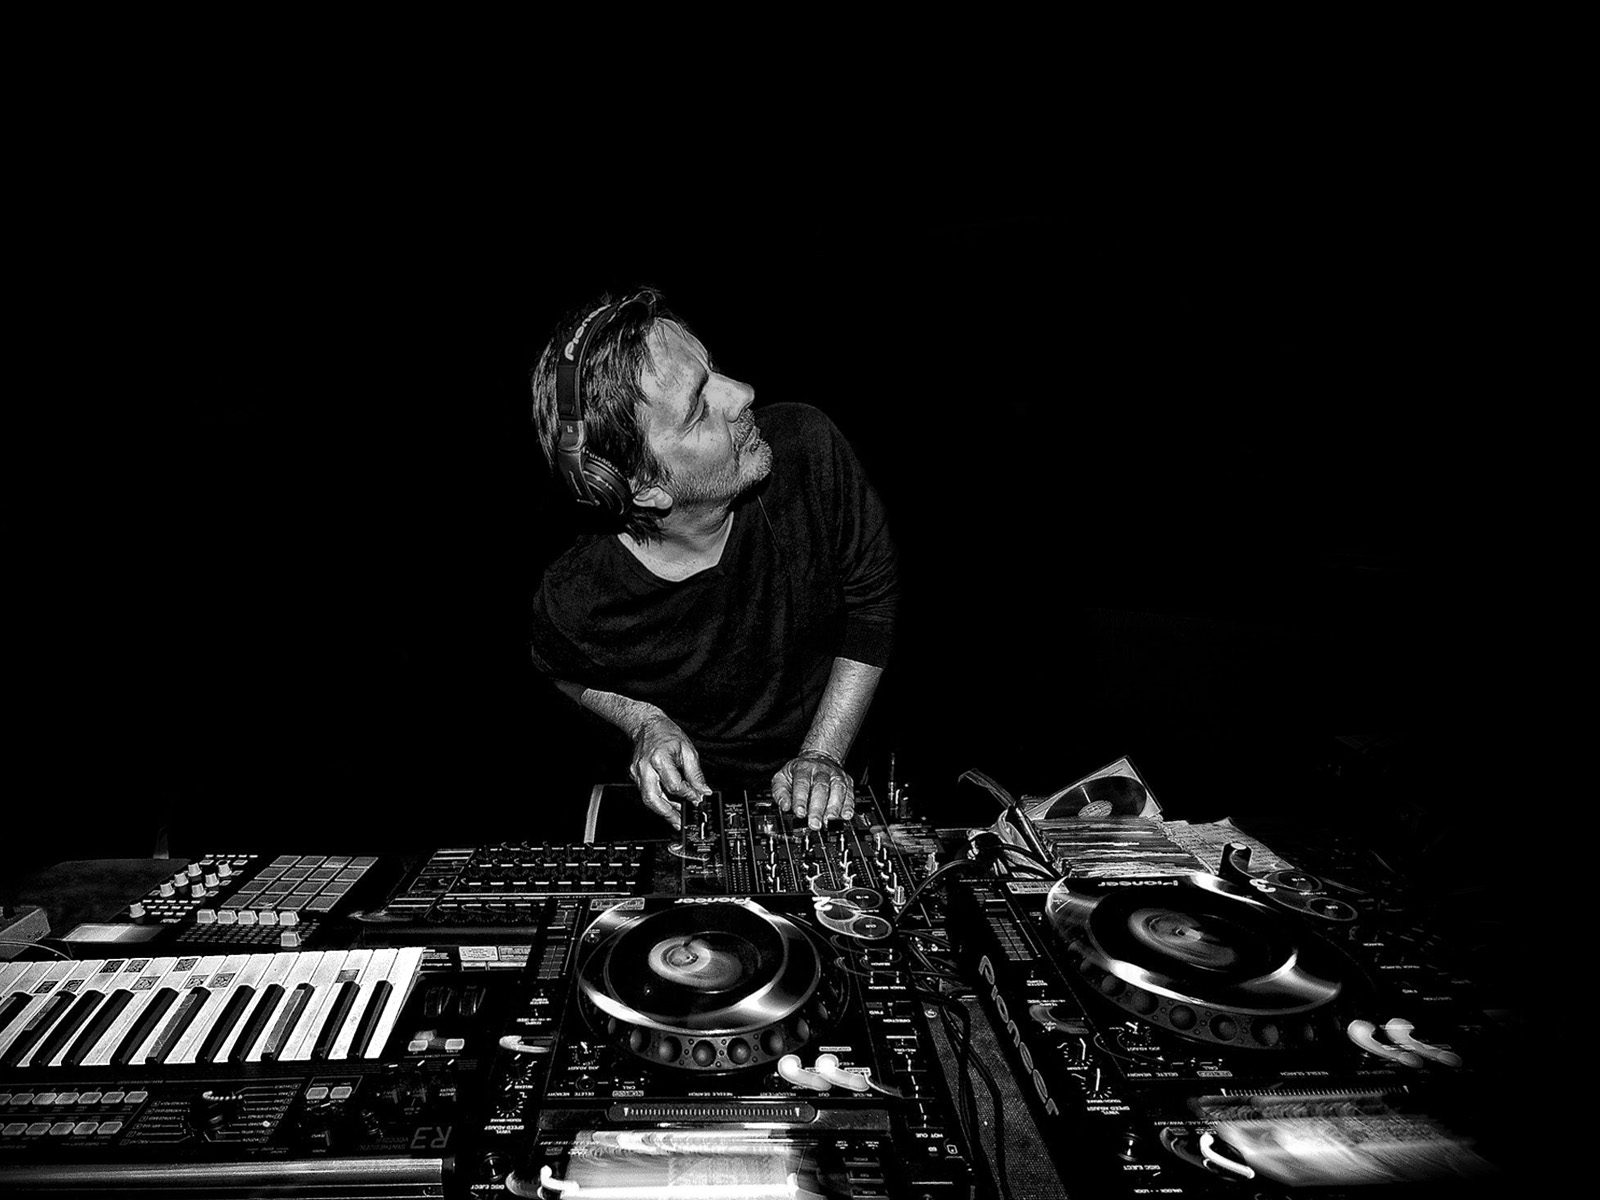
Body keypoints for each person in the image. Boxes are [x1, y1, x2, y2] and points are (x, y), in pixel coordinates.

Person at [528, 288, 898, 832]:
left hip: (834, 776)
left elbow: (873, 605)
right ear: (644, 487)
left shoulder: (808, 447)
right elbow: (559, 672)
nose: (743, 394)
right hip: (697, 816)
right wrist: (643, 720)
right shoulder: (577, 597)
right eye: (699, 409)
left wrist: (822, 754)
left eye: (713, 371)